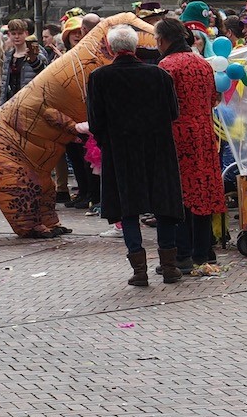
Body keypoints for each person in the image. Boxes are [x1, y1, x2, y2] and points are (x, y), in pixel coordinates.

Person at [85, 25, 186, 288]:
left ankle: (139, 269)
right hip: (158, 148)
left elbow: (95, 121)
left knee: (127, 207)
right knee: (163, 204)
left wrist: (108, 141)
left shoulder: (99, 77)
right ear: (135, 46)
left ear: (110, 48)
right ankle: (169, 265)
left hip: (120, 150)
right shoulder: (159, 75)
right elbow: (173, 112)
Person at [156, 18, 224, 278]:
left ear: (163, 40)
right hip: (204, 134)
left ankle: (182, 254)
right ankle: (203, 251)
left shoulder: (167, 65)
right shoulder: (203, 63)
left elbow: (164, 106)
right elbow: (213, 99)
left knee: (180, 194)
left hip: (178, 135)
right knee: (203, 189)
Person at [4, 28, 52, 101]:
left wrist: (33, 60)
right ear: (9, 35)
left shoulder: (38, 54)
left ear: (26, 34)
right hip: (12, 100)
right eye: (13, 34)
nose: (17, 37)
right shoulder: (8, 56)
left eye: (20, 33)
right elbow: (4, 84)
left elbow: (44, 75)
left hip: (31, 99)